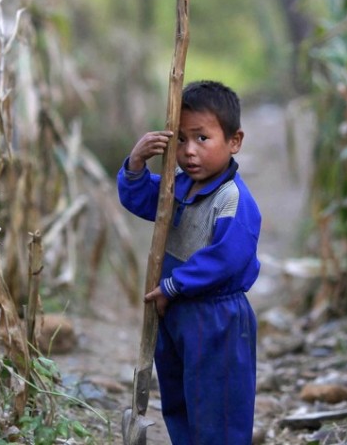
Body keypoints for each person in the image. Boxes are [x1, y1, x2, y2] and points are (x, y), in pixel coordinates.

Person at [117, 80, 261, 445]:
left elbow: (226, 258)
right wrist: (136, 163)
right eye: (180, 140)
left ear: (235, 141)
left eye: (202, 138)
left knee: (219, 404)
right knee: (181, 399)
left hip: (217, 319)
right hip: (176, 314)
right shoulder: (178, 187)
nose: (189, 151)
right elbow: (141, 197)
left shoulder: (233, 200)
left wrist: (172, 284)